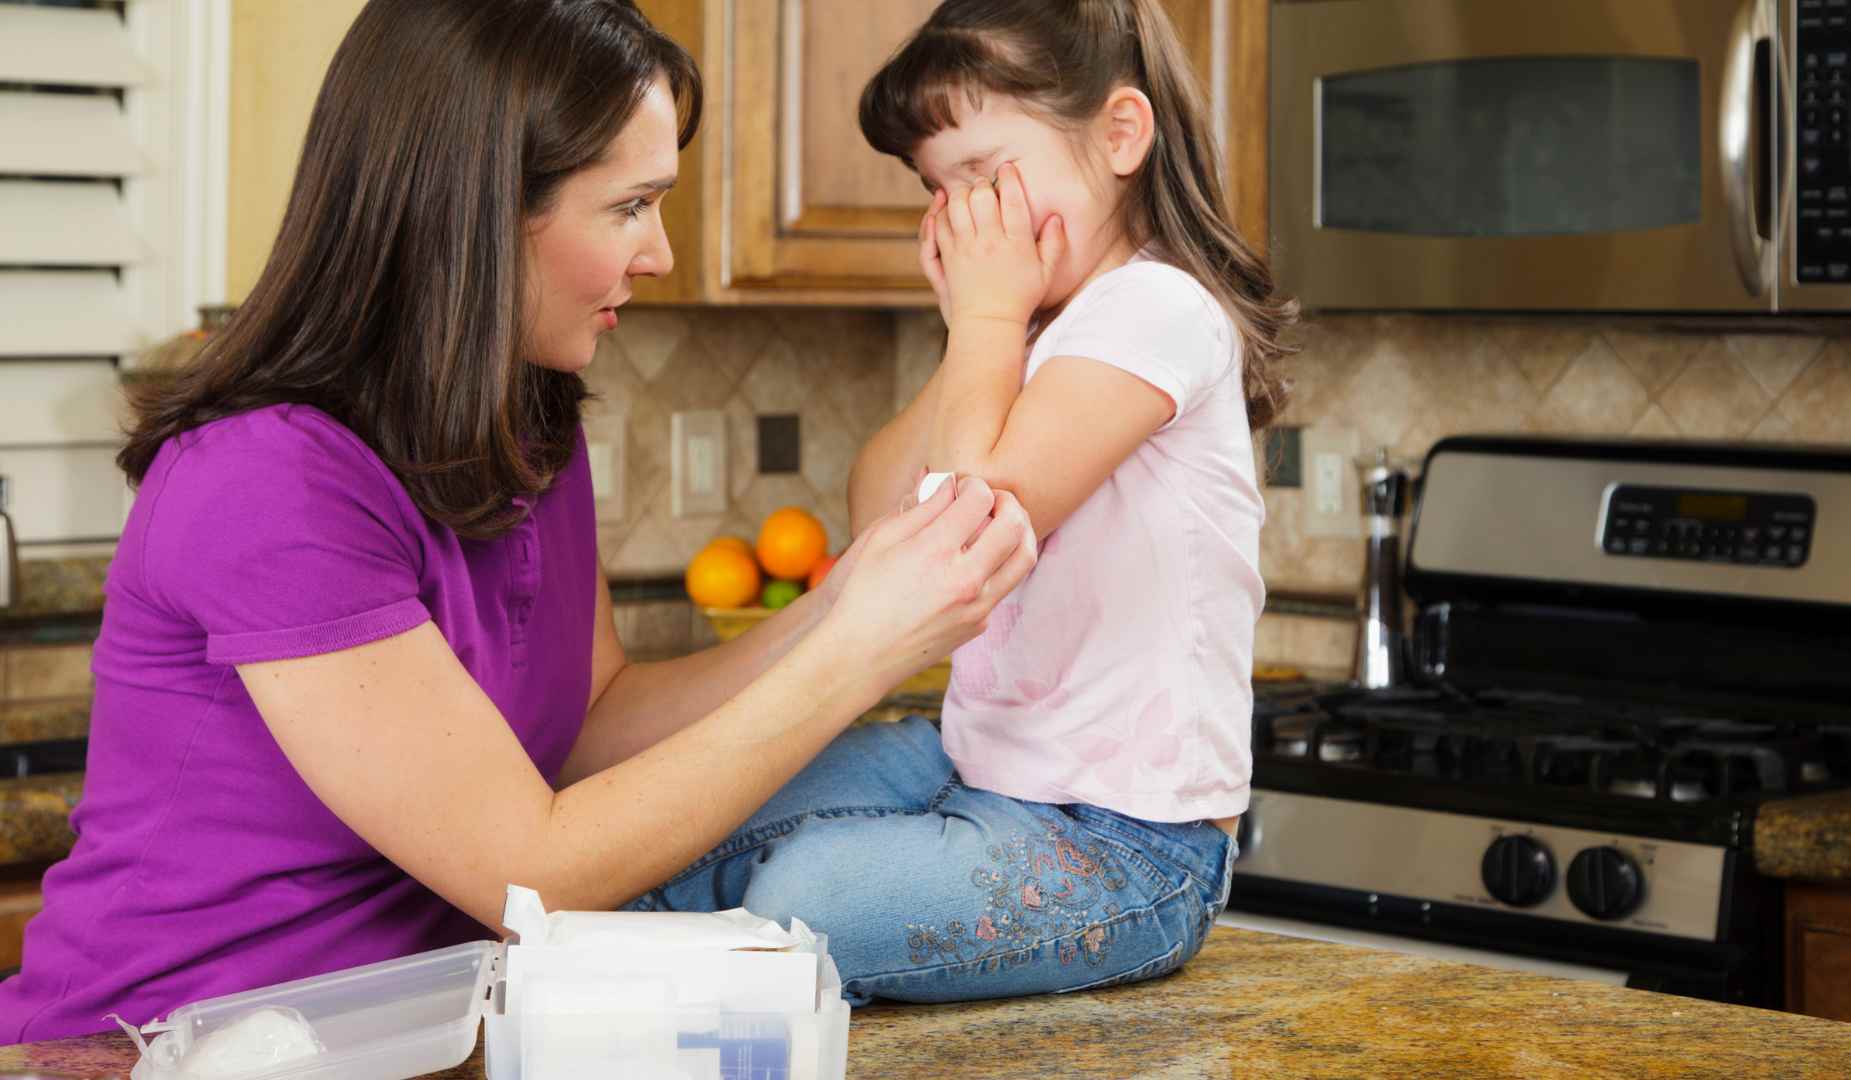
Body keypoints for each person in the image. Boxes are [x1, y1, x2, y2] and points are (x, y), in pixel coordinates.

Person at [0, 0, 1036, 1043]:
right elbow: (529, 873)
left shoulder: (526, 425)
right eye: (631, 206)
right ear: (485, 209)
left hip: (407, 1049)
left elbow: (590, 730)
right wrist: (860, 654)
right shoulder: (265, 481)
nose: (659, 254)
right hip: (154, 1054)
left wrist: (848, 598)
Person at [624, 0, 1296, 1004]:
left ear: (1120, 135)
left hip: (1131, 847)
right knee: (678, 826)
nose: (961, 214)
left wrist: (988, 315)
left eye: (985, 175)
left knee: (804, 899)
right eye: (940, 189)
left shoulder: (1158, 311)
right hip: (976, 768)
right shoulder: (1034, 327)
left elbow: (964, 531)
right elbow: (882, 516)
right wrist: (980, 327)